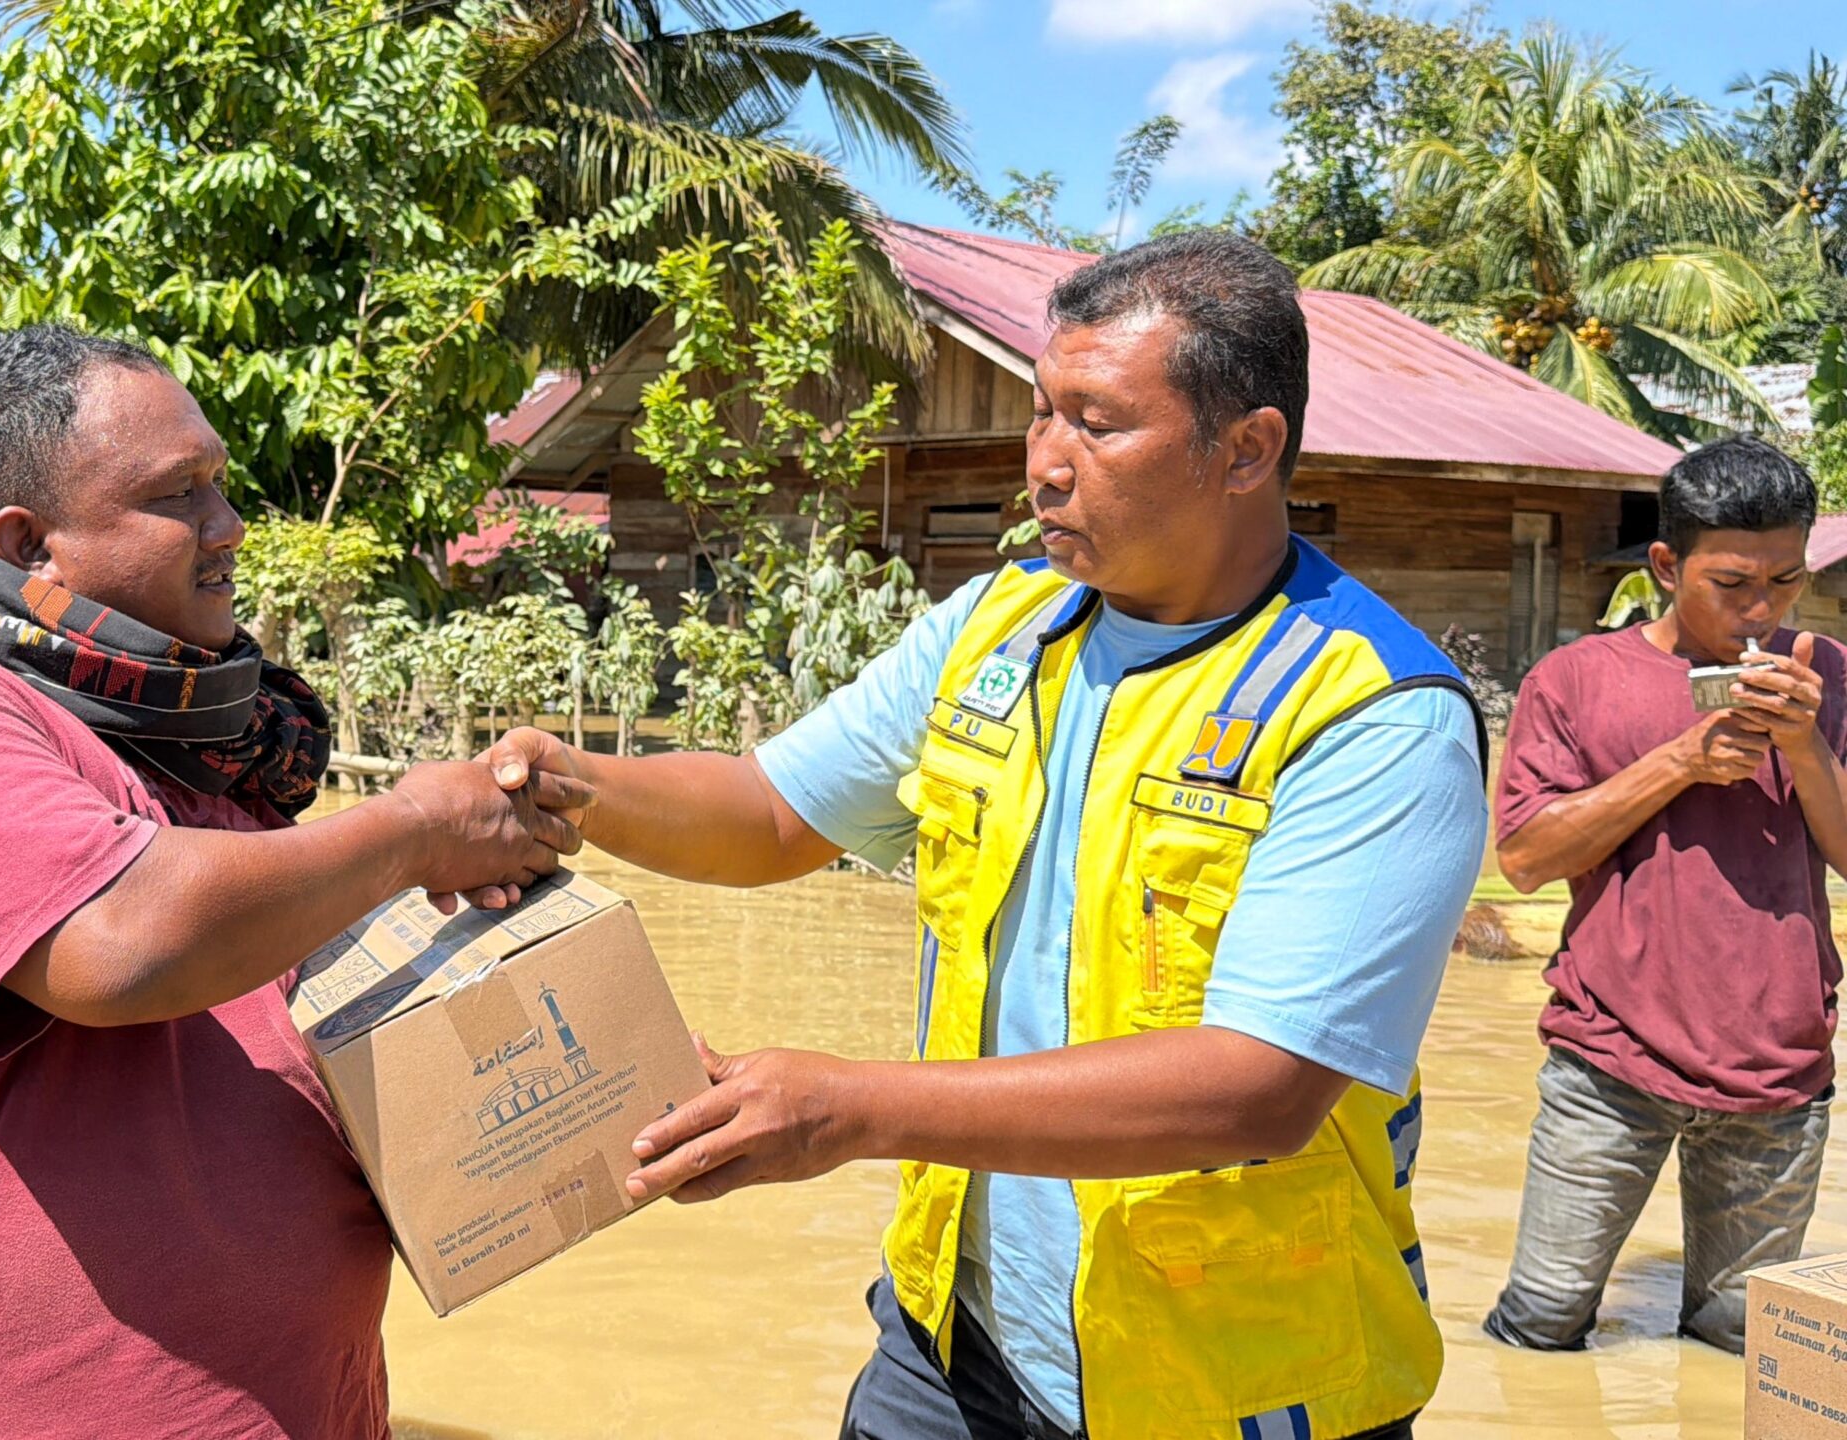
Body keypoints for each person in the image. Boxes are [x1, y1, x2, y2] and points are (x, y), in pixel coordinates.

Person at [484, 232, 1489, 1440]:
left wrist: (850, 1108)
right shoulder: (1001, 627)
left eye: (1099, 424)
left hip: (1228, 1384)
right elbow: (768, 813)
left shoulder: (1372, 712)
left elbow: (1257, 1088)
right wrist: (559, 785)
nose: (1046, 468)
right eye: (1039, 416)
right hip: (953, 1340)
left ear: (1247, 449)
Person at [0, 325, 584, 1439]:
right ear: (31, 542)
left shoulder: (191, 728)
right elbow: (122, 943)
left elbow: (236, 965)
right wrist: (412, 834)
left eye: (222, 484)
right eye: (180, 495)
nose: (228, 526)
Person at [1484, 435, 1846, 1355]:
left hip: (1780, 1069)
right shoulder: (1574, 680)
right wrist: (1680, 760)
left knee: (1742, 1349)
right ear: (1664, 565)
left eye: (1786, 582)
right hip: (1608, 1061)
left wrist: (1805, 748)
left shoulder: (1830, 679)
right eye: (1731, 584)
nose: (1762, 609)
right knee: (1541, 1324)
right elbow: (1524, 857)